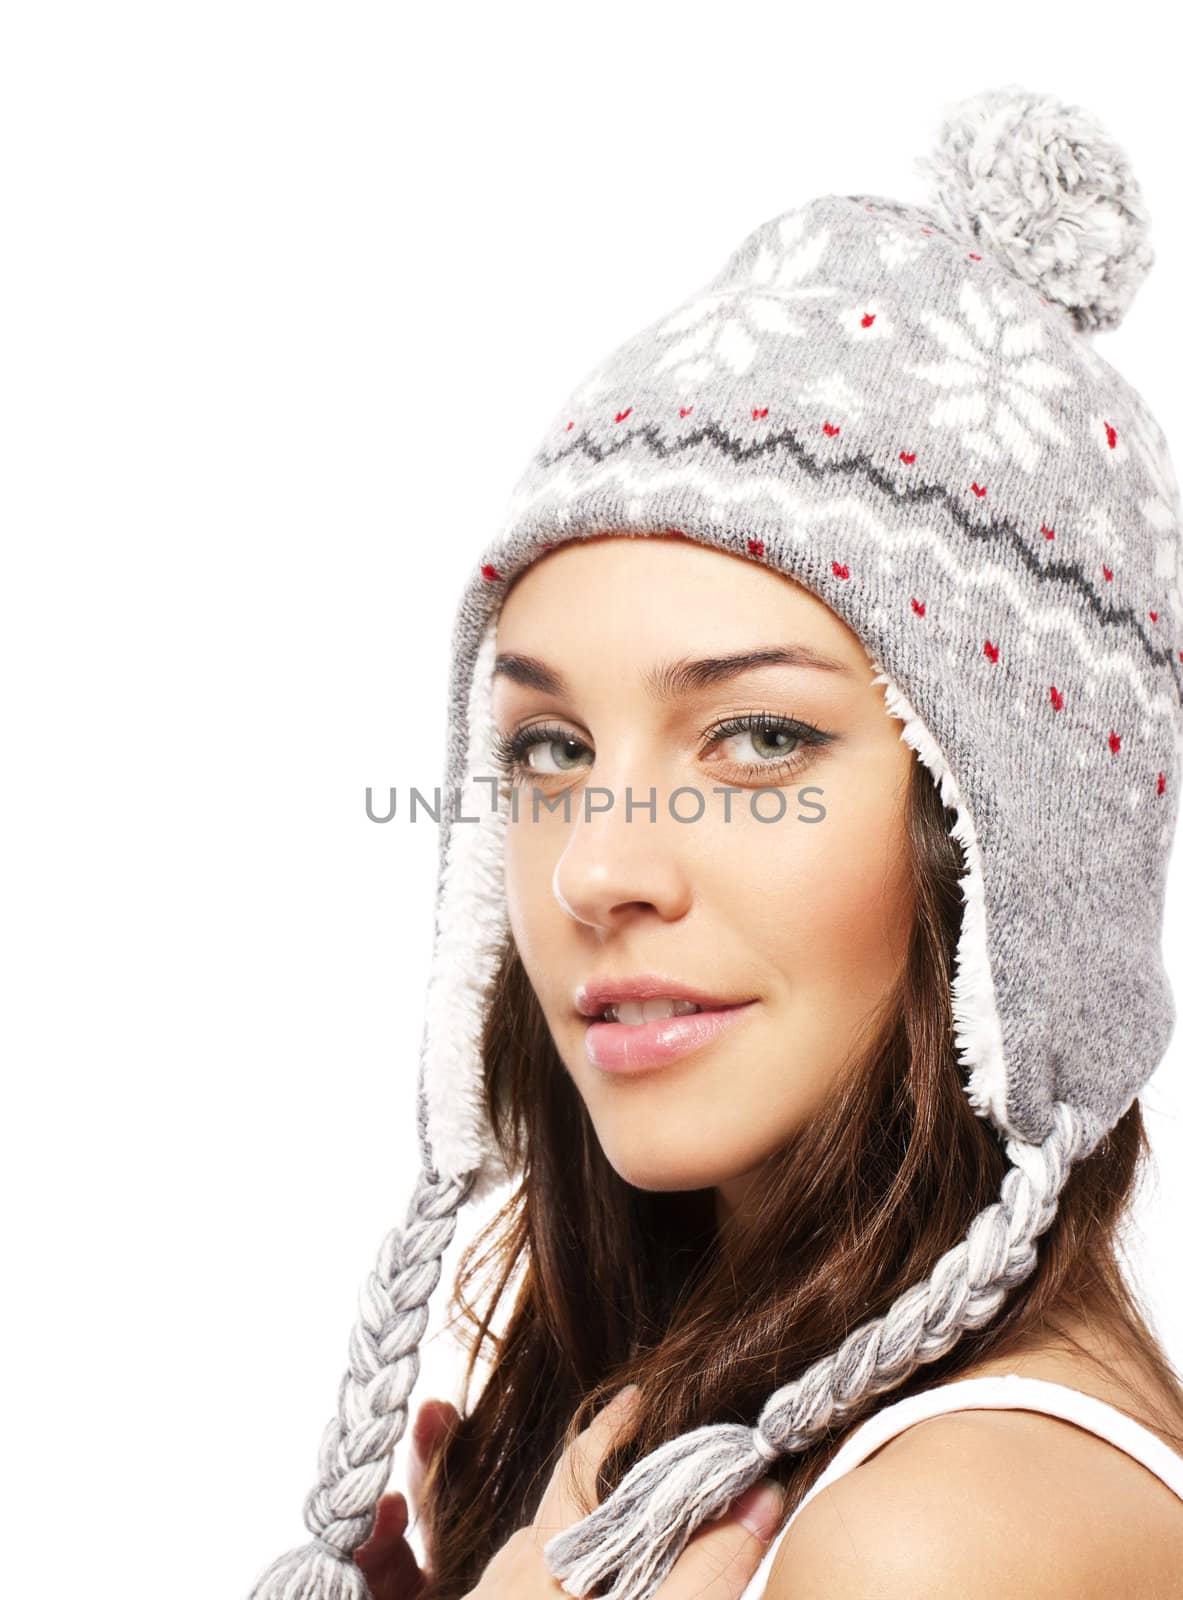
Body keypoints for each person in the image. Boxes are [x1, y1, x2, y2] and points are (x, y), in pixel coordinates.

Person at [247, 82, 1183, 1600]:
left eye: (760, 741)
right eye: (550, 750)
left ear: (1012, 848)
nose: (596, 870)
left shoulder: (937, 1539)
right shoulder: (694, 1454)